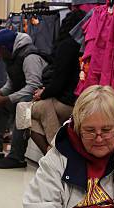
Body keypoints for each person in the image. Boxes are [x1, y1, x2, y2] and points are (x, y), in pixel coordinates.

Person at [0, 29, 48, 169]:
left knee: (22, 106)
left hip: (41, 97)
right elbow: (11, 83)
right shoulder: (12, 56)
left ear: (5, 47)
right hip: (24, 95)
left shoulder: (30, 57)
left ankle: (17, 157)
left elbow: (34, 86)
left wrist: (7, 99)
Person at [30, 10, 85, 154]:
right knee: (34, 117)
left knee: (29, 111)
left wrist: (42, 93)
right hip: (82, 101)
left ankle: (58, 152)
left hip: (67, 103)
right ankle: (52, 154)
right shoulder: (88, 45)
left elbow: (58, 82)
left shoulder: (67, 46)